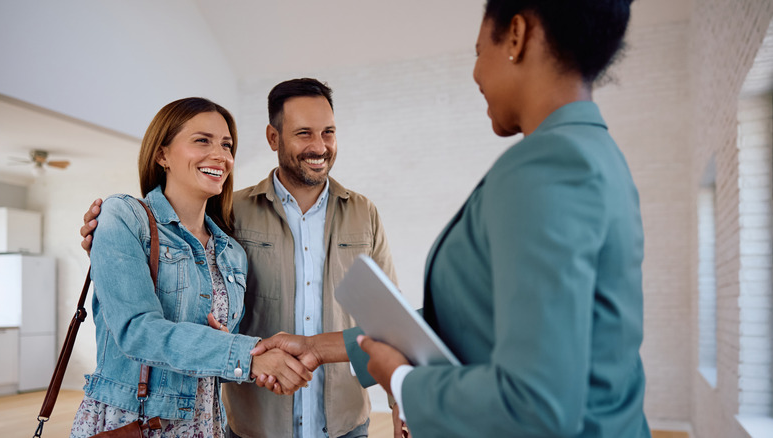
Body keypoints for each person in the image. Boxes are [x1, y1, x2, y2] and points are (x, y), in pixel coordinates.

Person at [353, 0, 650, 436]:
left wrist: (404, 381)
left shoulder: (549, 166)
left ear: (516, 34)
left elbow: (534, 405)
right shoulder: (596, 153)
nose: (475, 74)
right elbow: (481, 317)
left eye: (478, 51)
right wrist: (322, 349)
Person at [80, 81, 397, 438]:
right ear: (273, 138)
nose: (319, 146)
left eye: (328, 132)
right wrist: (109, 237)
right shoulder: (232, 215)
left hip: (342, 421)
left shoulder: (361, 214)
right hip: (245, 423)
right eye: (304, 132)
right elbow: (145, 320)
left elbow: (387, 323)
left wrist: (398, 397)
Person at [71, 97, 311, 437]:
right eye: (202, 140)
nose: (221, 156)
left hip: (206, 425)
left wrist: (259, 363)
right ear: (162, 154)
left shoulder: (231, 253)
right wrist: (248, 355)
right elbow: (137, 330)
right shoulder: (123, 217)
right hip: (133, 424)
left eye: (227, 145)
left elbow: (214, 364)